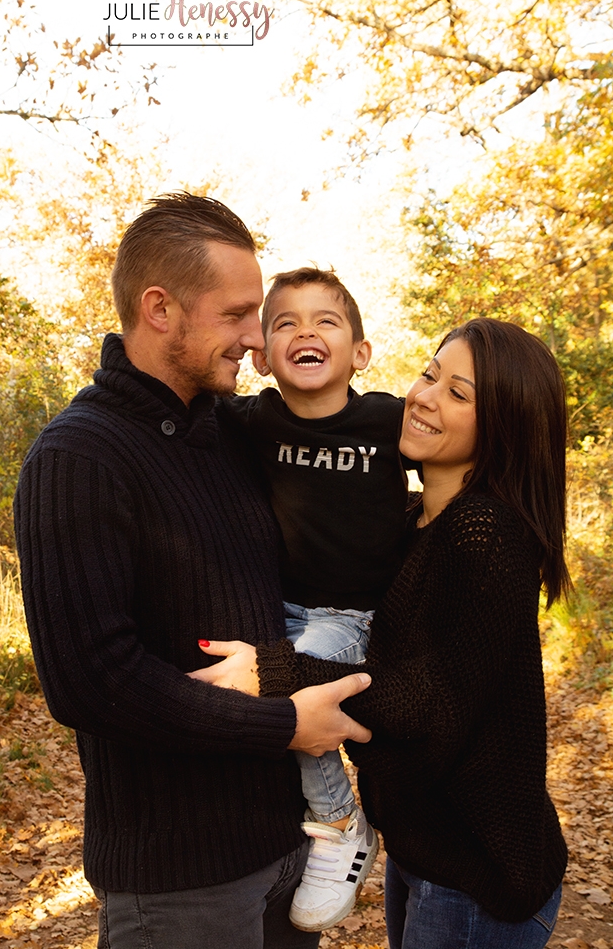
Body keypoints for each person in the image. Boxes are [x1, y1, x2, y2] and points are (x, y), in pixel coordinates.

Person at [13, 192, 374, 949]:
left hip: (285, 847)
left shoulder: (232, 432)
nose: (255, 337)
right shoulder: (79, 457)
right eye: (237, 315)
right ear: (159, 309)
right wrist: (284, 724)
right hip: (180, 880)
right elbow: (91, 681)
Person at [191, 317, 570, 948]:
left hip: (479, 873)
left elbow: (425, 700)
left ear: (502, 423)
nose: (424, 396)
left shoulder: (486, 535)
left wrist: (276, 671)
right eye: (429, 373)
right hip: (422, 850)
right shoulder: (414, 519)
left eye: (459, 392)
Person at [222, 267, 407, 931]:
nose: (304, 331)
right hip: (273, 604)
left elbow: (463, 444)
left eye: (325, 321)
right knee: (241, 683)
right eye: (284, 323)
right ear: (263, 355)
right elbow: (168, 404)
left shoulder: (387, 419)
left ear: (358, 353)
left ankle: (338, 825)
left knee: (297, 691)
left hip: (346, 616)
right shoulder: (253, 419)